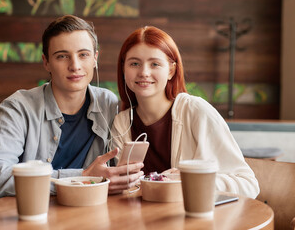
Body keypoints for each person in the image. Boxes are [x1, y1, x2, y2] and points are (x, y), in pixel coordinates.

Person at [0, 15, 144, 230]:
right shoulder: (18, 107)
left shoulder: (109, 104)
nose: (75, 66)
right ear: (46, 62)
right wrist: (80, 177)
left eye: (83, 55)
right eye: (62, 56)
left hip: (82, 217)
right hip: (13, 218)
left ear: (95, 58)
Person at [111, 26, 260, 198]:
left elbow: (248, 184)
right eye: (134, 63)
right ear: (123, 69)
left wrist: (190, 180)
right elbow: (125, 191)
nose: (144, 72)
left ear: (171, 70)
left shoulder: (196, 111)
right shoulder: (121, 124)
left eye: (155, 64)